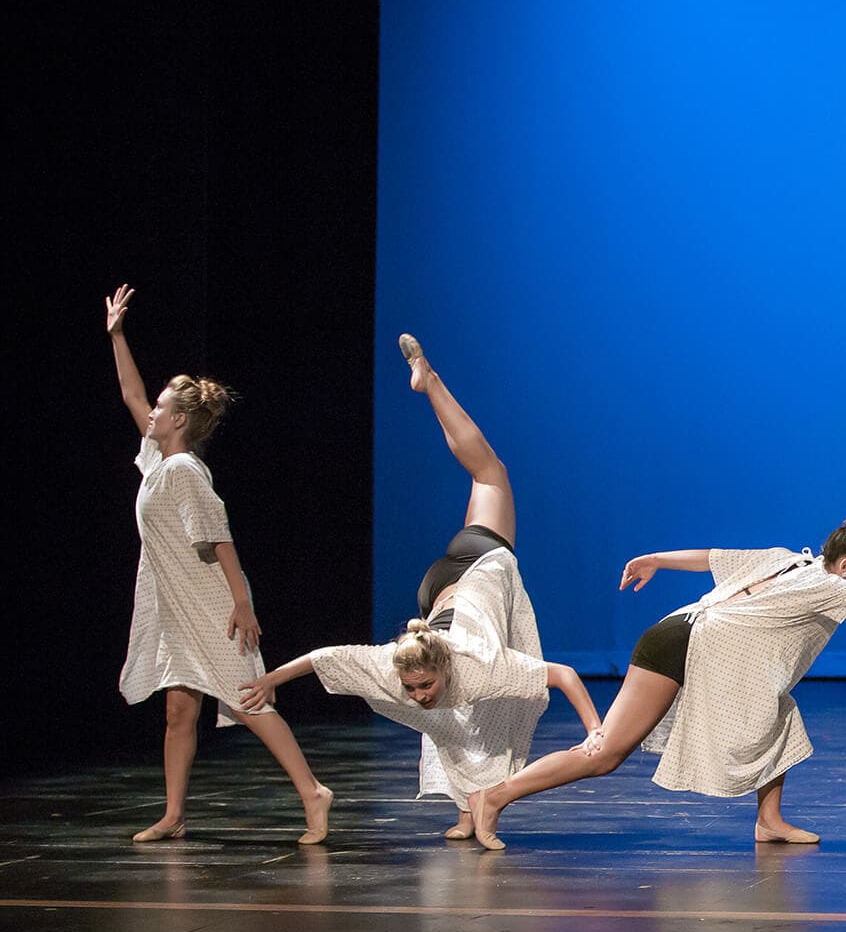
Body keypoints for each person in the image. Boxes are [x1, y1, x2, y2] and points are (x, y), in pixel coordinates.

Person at [239, 335, 599, 838]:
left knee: (490, 473)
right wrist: (272, 680)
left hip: (477, 569)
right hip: (448, 587)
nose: (416, 694)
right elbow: (325, 657)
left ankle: (430, 381)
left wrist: (595, 731)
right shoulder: (399, 667)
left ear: (442, 666)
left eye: (422, 685)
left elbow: (562, 675)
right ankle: (467, 809)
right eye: (412, 687)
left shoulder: (478, 666)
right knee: (445, 721)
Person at [466, 517, 846, 850]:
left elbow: (711, 558)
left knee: (777, 711)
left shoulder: (790, 559)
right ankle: (495, 796)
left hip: (678, 632)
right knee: (605, 754)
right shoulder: (828, 585)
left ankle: (770, 821)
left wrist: (656, 558)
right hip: (685, 647)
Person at [105, 284, 333, 843]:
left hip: (211, 608)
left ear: (180, 419)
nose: (151, 412)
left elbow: (219, 535)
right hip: (176, 608)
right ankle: (174, 814)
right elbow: (133, 396)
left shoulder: (184, 472)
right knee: (179, 713)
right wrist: (116, 335)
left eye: (162, 408)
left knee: (250, 701)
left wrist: (242, 601)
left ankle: (313, 792)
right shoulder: (161, 460)